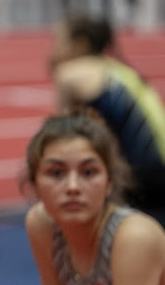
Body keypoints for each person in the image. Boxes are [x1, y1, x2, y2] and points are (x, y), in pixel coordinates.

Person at [23, 109, 165, 285]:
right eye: (57, 172)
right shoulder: (41, 225)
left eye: (88, 172)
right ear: (34, 183)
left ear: (109, 181)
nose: (72, 187)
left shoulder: (136, 237)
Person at [49, 12, 165, 227]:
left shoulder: (70, 73)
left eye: (58, 41)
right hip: (157, 170)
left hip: (142, 178)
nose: (52, 50)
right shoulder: (120, 70)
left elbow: (63, 138)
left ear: (80, 45)